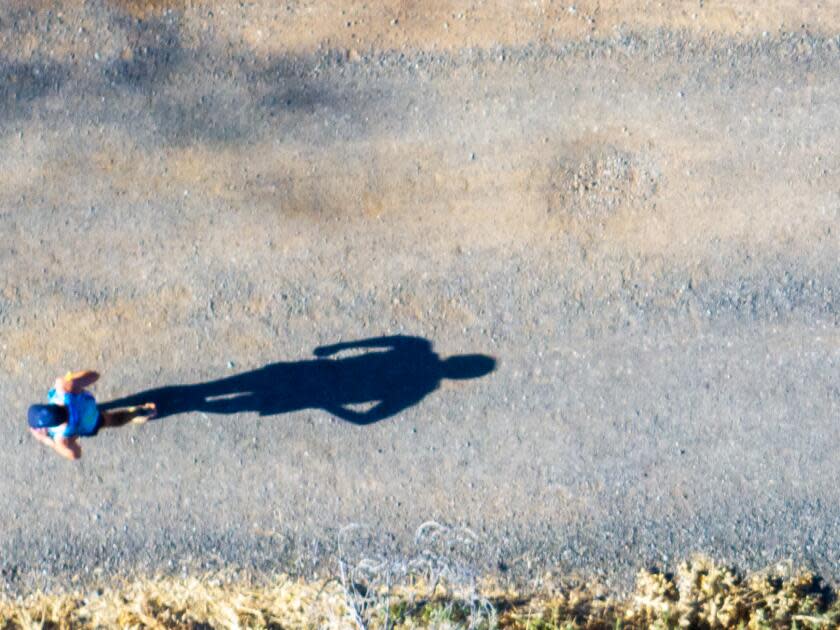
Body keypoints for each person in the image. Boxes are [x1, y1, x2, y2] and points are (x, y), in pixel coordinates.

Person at [28, 370, 156, 461]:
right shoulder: (64, 388)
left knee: (110, 421)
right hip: (86, 405)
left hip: (89, 423)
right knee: (108, 418)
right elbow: (94, 375)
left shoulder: (61, 439)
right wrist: (70, 380)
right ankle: (141, 412)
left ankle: (138, 414)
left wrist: (47, 441)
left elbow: (75, 454)